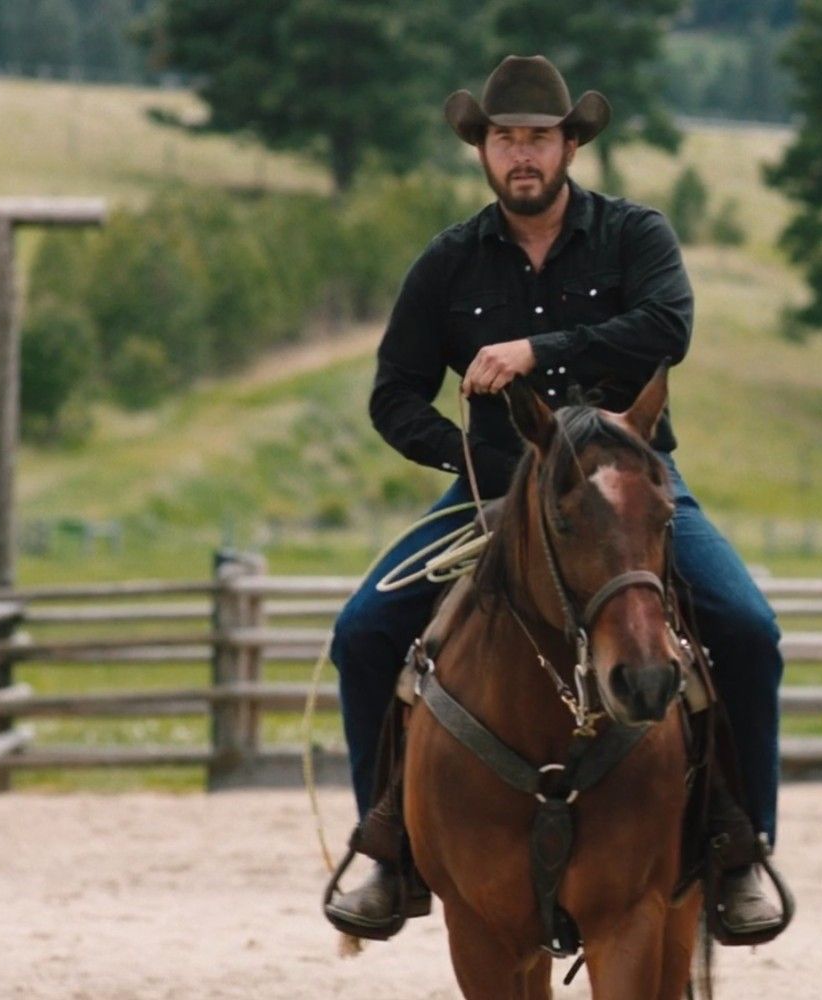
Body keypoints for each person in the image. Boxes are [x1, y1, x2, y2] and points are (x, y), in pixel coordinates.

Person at [322, 55, 785, 941]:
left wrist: (536, 351)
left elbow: (668, 327)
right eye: (505, 139)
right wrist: (473, 460)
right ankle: (386, 841)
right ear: (483, 152)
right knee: (364, 631)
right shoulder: (450, 262)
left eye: (539, 137)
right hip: (494, 491)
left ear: (570, 145)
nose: (522, 154)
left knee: (746, 629)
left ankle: (738, 846)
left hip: (630, 485)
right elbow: (393, 395)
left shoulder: (633, 235)